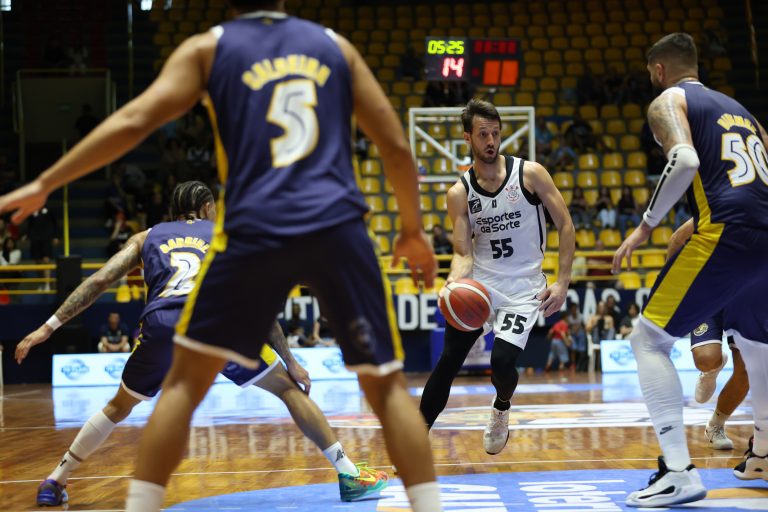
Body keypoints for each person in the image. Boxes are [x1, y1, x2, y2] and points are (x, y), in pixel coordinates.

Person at [0, 3, 441, 510]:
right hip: (336, 223)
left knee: (178, 393)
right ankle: (373, 483)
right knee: (387, 388)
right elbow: (395, 145)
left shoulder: (208, 48)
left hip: (250, 231)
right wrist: (412, 229)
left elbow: (134, 120)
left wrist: (46, 182)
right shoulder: (334, 45)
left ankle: (94, 488)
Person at [15, 182, 387, 507]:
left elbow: (99, 281)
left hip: (163, 325)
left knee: (118, 406)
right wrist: (290, 360)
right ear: (208, 207)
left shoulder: (146, 237)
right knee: (290, 391)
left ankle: (55, 480)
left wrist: (48, 327)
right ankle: (349, 473)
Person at [612, 33, 768, 506]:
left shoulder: (669, 100)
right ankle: (763, 452)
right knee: (758, 345)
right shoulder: (742, 112)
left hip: (726, 232)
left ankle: (678, 472)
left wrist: (645, 227)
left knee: (647, 340)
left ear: (659, 70)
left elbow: (683, 160)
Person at [418, 99, 575, 454]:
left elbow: (565, 224)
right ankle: (415, 441)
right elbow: (463, 253)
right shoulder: (459, 193)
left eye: (495, 133)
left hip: (523, 288)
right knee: (448, 360)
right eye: (483, 134)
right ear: (467, 138)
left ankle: (501, 407)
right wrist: (453, 282)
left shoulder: (530, 174)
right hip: (481, 285)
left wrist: (562, 281)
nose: (490, 141)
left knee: (501, 362)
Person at [667, 218, 749, 450]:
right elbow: (677, 239)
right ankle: (712, 368)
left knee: (746, 371)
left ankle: (716, 424)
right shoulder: (718, 207)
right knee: (705, 359)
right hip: (708, 293)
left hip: (744, 297)